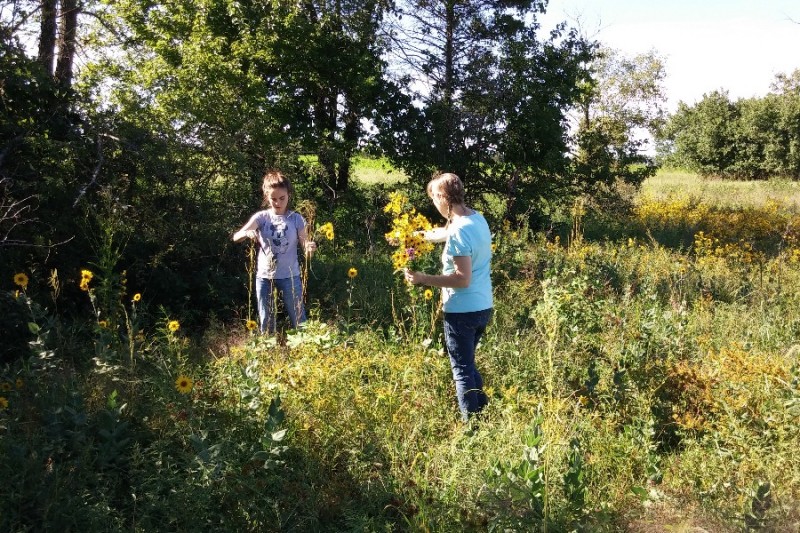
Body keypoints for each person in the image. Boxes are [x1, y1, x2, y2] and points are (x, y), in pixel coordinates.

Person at [404, 172, 493, 422]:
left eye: (434, 197)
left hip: (462, 310)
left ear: (443, 197)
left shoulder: (458, 231)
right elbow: (443, 233)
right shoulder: (476, 219)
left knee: (462, 370)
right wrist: (412, 236)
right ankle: (484, 412)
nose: (434, 203)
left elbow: (462, 279)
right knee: (468, 363)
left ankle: (472, 426)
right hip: (482, 306)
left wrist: (423, 278)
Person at [233, 170, 316, 333]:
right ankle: (269, 346)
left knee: (299, 319)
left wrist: (310, 248)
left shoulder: (296, 219)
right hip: (265, 277)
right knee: (267, 321)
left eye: (282, 198)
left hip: (290, 277)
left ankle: (304, 345)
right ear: (267, 196)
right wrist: (247, 233)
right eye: (273, 199)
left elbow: (305, 247)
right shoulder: (261, 217)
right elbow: (236, 237)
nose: (278, 203)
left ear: (289, 195)